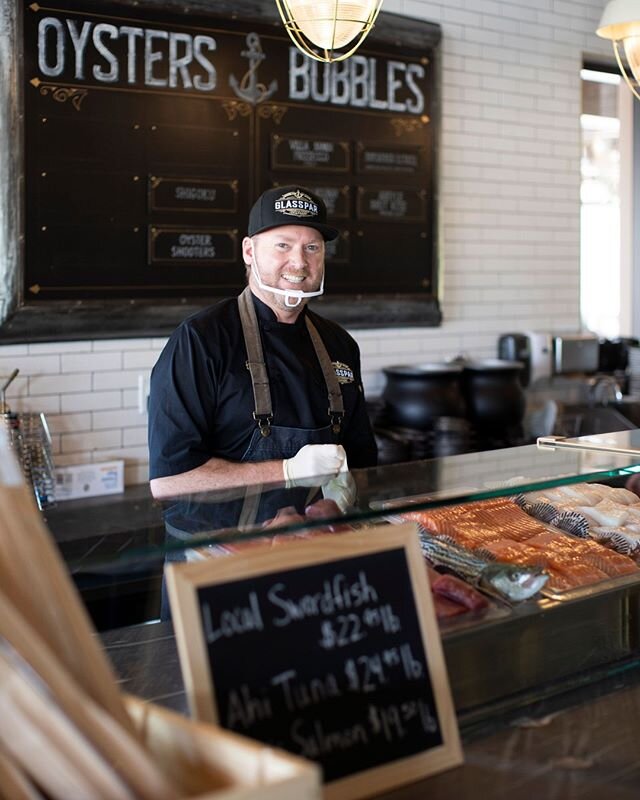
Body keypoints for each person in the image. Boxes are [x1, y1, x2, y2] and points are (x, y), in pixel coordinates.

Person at [148, 185, 377, 502]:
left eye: (312, 248)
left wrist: (341, 504)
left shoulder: (339, 344)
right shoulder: (200, 341)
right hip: (219, 548)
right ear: (249, 251)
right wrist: (286, 473)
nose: (298, 262)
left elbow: (363, 461)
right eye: (283, 245)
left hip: (314, 542)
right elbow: (170, 481)